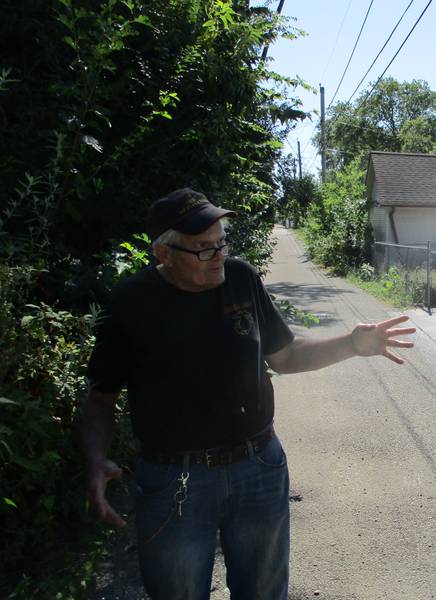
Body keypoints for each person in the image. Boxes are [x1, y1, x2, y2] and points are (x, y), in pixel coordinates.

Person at [81, 188, 415, 600]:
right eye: (203, 249)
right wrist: (96, 459)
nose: (218, 254)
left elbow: (286, 355)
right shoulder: (131, 302)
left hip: (259, 467)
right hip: (174, 482)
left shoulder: (240, 278)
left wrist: (351, 343)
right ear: (164, 254)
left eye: (221, 242)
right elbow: (101, 397)